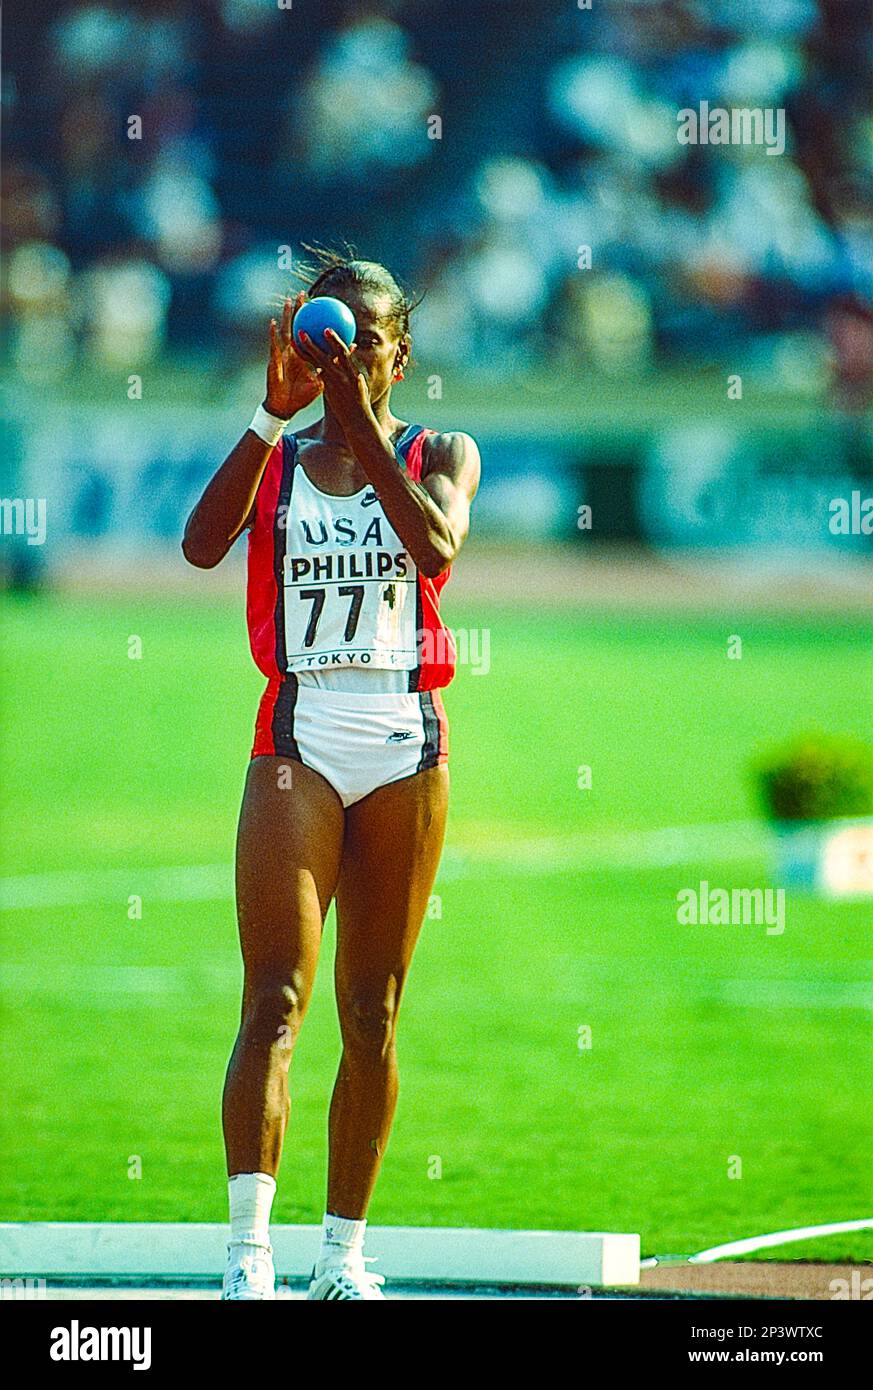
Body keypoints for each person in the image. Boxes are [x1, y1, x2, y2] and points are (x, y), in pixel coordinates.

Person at [182, 254, 481, 1299]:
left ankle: (343, 1257)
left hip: (405, 739)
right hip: (298, 736)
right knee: (276, 997)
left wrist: (357, 420)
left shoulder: (441, 449)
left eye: (365, 335)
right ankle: (247, 1257)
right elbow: (199, 545)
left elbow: (434, 549)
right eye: (329, 331)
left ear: (400, 349)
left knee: (374, 1013)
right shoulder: (283, 453)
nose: (344, 350)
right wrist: (273, 416)